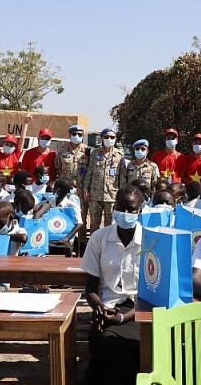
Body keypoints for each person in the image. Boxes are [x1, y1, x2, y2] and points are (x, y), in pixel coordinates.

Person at [81, 184, 144, 385]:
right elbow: (90, 288)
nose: (126, 213)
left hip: (140, 311)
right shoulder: (99, 238)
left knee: (133, 349)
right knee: (107, 345)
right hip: (107, 309)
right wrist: (100, 310)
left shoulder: (152, 241)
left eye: (131, 209)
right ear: (114, 207)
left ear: (140, 211)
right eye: (121, 208)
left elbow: (155, 295)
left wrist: (122, 318)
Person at [83, 127, 125, 233]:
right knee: (94, 225)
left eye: (112, 137)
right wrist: (86, 189)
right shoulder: (95, 153)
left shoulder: (120, 155)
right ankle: (94, 247)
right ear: (102, 138)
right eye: (107, 137)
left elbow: (122, 177)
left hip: (112, 196)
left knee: (110, 226)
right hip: (95, 195)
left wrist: (121, 195)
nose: (109, 139)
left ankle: (107, 248)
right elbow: (89, 172)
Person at [0, 109, 31, 179]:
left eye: (11, 145)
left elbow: (22, 139)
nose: (8, 146)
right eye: (7, 144)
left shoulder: (16, 155)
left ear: (15, 147)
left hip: (12, 186)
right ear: (3, 144)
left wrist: (26, 123)